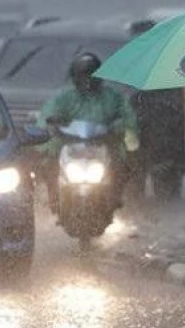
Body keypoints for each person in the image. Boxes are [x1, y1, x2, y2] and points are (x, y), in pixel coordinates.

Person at [37, 52, 137, 212]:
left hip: (105, 142)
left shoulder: (113, 97)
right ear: (74, 78)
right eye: (82, 76)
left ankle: (115, 197)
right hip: (68, 143)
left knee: (123, 163)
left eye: (91, 76)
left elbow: (128, 117)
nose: (87, 81)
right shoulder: (64, 97)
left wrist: (120, 127)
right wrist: (51, 124)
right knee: (48, 162)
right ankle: (54, 198)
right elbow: (46, 116)